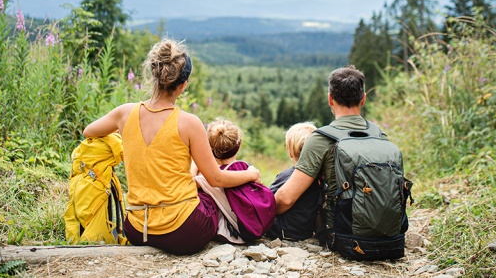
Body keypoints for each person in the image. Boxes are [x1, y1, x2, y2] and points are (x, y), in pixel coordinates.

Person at [83, 39, 260, 255]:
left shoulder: (124, 113)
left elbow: (89, 131)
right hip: (184, 231)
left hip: (138, 228)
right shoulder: (189, 122)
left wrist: (125, 141)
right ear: (183, 84)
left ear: (154, 75)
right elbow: (216, 179)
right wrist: (251, 174)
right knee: (209, 196)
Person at [273, 65, 384, 246]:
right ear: (363, 99)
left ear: (330, 99)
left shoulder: (321, 139)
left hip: (345, 234)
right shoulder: (379, 134)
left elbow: (286, 199)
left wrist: (262, 212)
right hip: (387, 231)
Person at [267, 121, 321, 241]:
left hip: (283, 230)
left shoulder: (287, 176)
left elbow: (269, 201)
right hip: (306, 231)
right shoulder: (320, 178)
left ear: (290, 152)